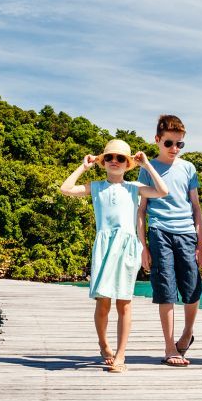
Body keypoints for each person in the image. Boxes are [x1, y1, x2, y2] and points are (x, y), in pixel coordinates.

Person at [59, 139, 172, 373]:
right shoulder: (96, 186)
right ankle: (104, 344)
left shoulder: (134, 187)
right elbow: (65, 188)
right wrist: (84, 167)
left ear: (127, 163)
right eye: (109, 157)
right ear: (103, 162)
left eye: (120, 158)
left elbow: (162, 190)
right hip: (104, 246)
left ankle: (121, 355)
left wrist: (148, 165)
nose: (114, 161)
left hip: (127, 247)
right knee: (103, 303)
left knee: (125, 303)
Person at [136, 114, 202, 367]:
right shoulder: (147, 170)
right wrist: (143, 246)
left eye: (179, 144)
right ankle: (169, 346)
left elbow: (196, 207)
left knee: (191, 287)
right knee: (165, 288)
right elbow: (141, 210)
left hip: (187, 232)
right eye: (169, 143)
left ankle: (187, 333)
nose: (174, 149)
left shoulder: (188, 168)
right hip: (159, 232)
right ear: (157, 140)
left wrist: (201, 242)